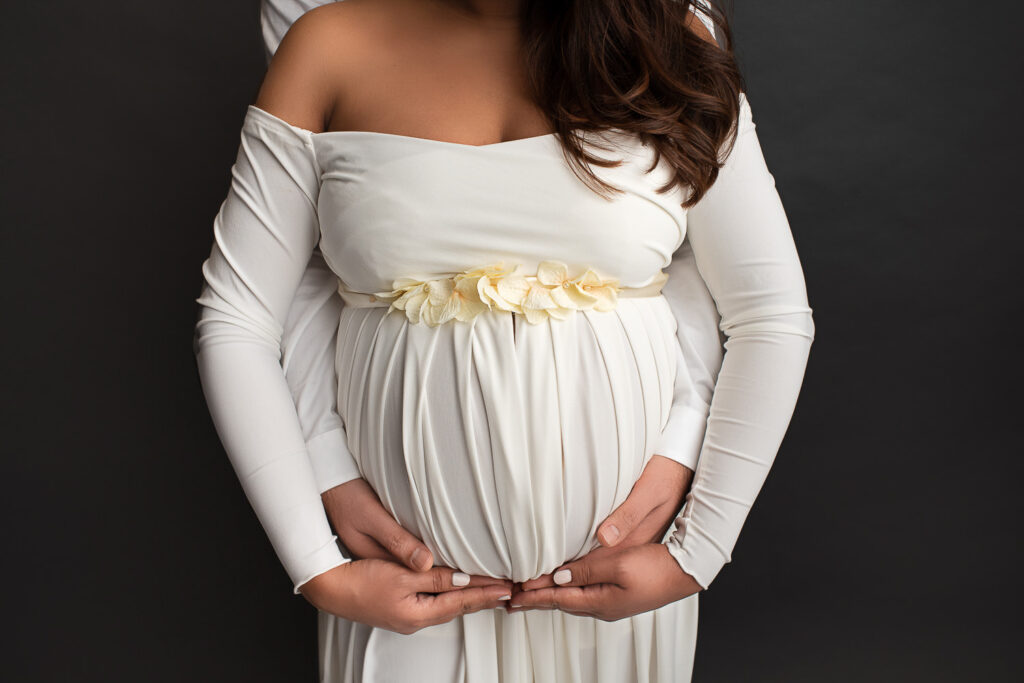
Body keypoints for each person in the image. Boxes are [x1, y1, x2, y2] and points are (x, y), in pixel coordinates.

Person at [192, 1, 815, 680]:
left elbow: (769, 311)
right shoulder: (328, 42)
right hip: (405, 589)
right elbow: (236, 314)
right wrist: (315, 564)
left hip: (618, 595)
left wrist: (698, 551)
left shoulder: (669, 39)